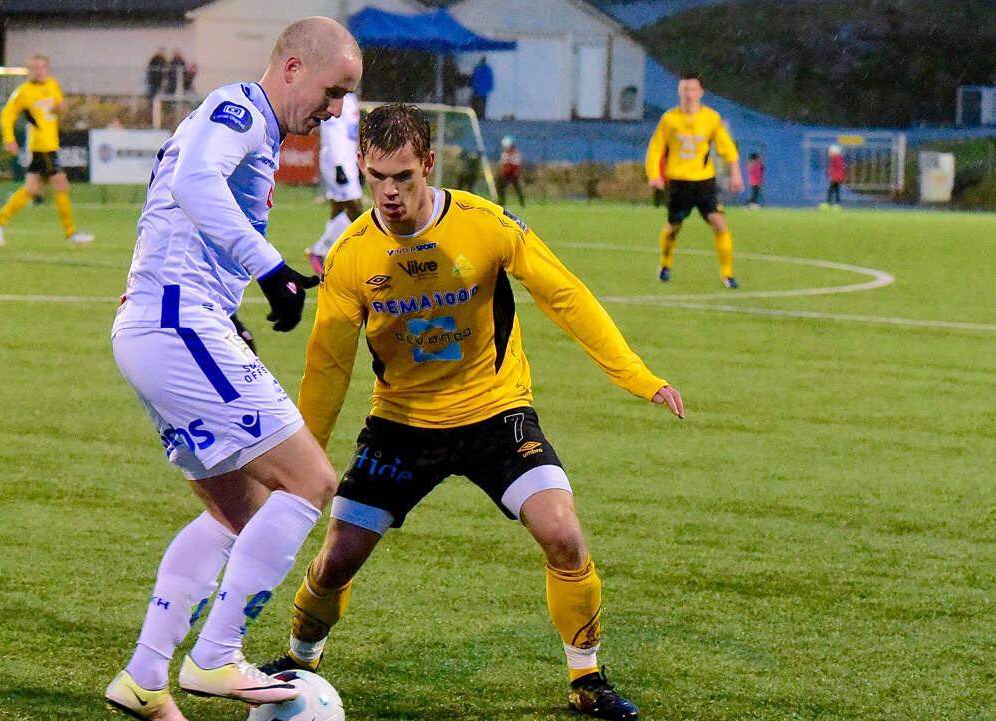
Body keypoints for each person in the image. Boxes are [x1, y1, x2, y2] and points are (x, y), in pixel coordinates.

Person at [260, 103, 685, 721]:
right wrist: (304, 460)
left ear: (428, 164)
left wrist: (635, 375)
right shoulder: (352, 254)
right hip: (402, 425)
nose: (389, 192)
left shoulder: (484, 224)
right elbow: (326, 366)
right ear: (362, 168)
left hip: (495, 413)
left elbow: (564, 294)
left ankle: (587, 678)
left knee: (563, 534)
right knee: (336, 560)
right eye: (377, 177)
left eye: (403, 176)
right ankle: (301, 660)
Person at [103, 17, 363, 721]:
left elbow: (176, 215)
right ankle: (216, 654)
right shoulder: (239, 107)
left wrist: (227, 307)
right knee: (310, 481)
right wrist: (269, 268)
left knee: (237, 513)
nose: (335, 109)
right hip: (176, 324)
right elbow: (193, 182)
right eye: (332, 91)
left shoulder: (248, 126)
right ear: (292, 68)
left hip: (167, 325)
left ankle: (144, 677)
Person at [645, 72, 743, 288]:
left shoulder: (711, 118)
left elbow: (727, 147)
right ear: (680, 92)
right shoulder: (670, 119)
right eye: (685, 90)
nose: (689, 94)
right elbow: (656, 148)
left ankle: (728, 275)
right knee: (674, 227)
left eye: (692, 90)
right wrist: (654, 175)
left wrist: (736, 173)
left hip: (704, 182)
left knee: (719, 223)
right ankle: (665, 264)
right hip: (679, 182)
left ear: (700, 92)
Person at [0, 54, 94, 247]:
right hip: (41, 147)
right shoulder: (23, 92)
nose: (39, 71)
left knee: (32, 189)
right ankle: (70, 233)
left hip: (51, 144)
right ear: (29, 71)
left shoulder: (53, 85)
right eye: (34, 68)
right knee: (61, 184)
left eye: (42, 67)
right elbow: (7, 115)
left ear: (47, 69)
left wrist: (61, 108)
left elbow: (59, 108)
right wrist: (9, 139)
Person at [305, 90, 361, 275]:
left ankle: (329, 252)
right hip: (339, 163)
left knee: (338, 208)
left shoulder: (351, 99)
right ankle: (319, 251)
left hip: (348, 161)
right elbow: (332, 135)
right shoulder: (337, 100)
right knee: (355, 209)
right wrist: (338, 166)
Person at [496, 133, 525, 206]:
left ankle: (522, 203)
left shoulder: (515, 152)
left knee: (517, 188)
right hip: (505, 174)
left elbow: (516, 164)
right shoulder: (505, 152)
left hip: (513, 174)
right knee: (500, 187)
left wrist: (515, 172)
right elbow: (502, 163)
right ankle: (501, 202)